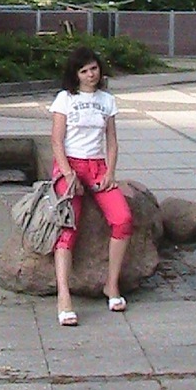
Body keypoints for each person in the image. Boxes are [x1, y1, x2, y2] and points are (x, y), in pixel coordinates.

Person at [49, 46, 133, 326]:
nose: (90, 75)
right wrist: (67, 174)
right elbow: (56, 141)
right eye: (84, 71)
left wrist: (111, 171)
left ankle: (112, 284)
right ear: (76, 74)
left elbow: (112, 141)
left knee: (122, 220)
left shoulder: (107, 101)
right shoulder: (65, 99)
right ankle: (64, 296)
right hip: (70, 165)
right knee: (68, 227)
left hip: (97, 166)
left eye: (93, 68)